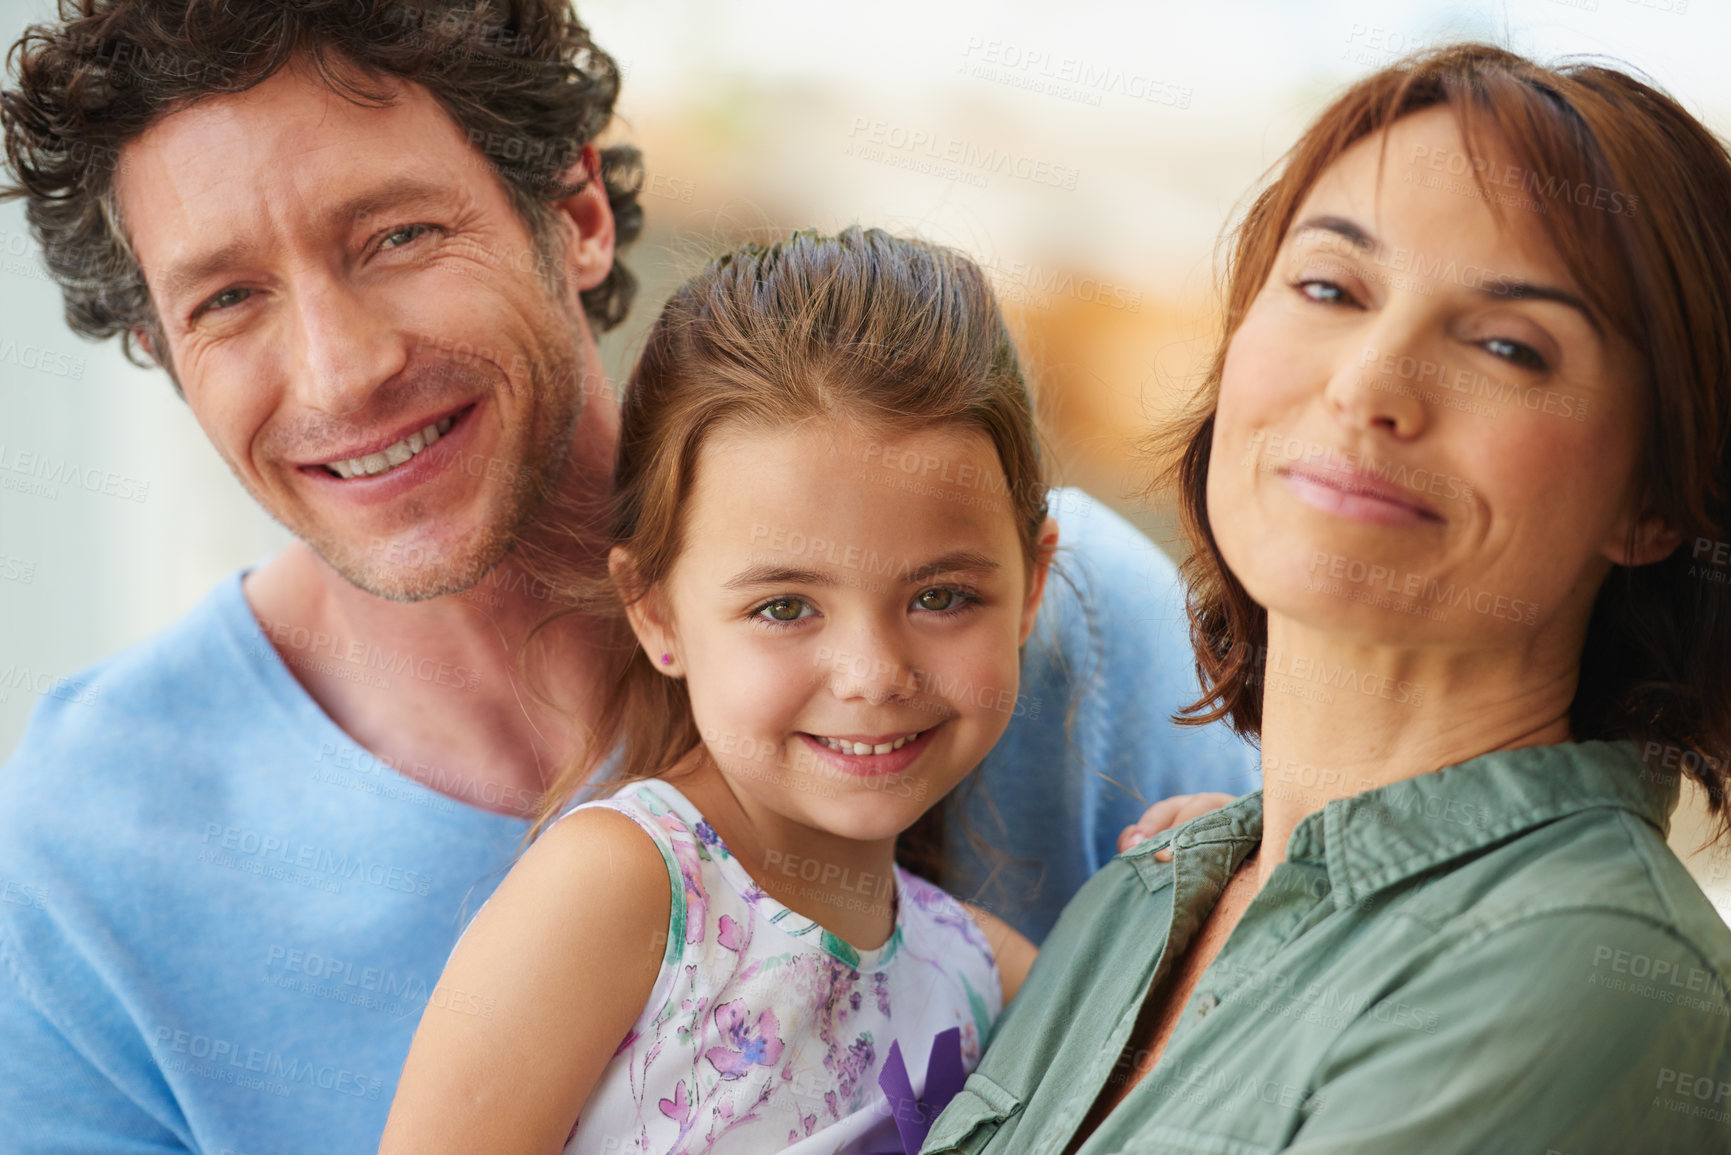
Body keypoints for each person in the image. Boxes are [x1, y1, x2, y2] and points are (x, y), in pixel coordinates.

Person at [0, 3, 1251, 1152]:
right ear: (165, 353)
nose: (339, 373)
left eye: (398, 235)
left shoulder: (1073, 628)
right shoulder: (85, 854)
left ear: (578, 214)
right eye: (227, 299)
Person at [921, 43, 1731, 1155]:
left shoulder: (1578, 964)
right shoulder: (1143, 899)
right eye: (1329, 288)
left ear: (1655, 499)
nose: (1369, 385)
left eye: (1507, 344)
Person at [383, 225, 1058, 1153]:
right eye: (785, 607)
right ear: (656, 615)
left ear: (1033, 588)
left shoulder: (986, 975)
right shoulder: (624, 889)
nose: (870, 675)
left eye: (941, 597)